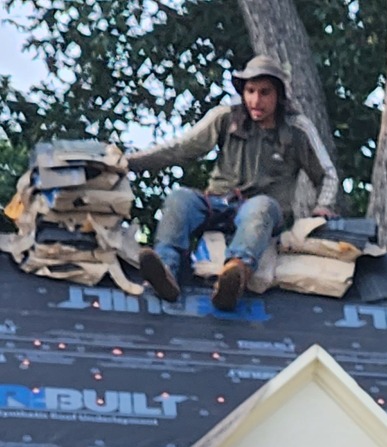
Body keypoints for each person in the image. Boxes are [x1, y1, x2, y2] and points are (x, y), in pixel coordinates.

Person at [127, 55, 340, 311]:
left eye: (264, 92)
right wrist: (129, 163)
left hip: (259, 210)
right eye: (250, 91)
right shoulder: (226, 117)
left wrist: (323, 205)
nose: (256, 100)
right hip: (216, 201)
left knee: (261, 207)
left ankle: (235, 273)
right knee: (179, 199)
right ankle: (165, 271)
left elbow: (326, 173)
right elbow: (180, 149)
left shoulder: (297, 128)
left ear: (279, 95)